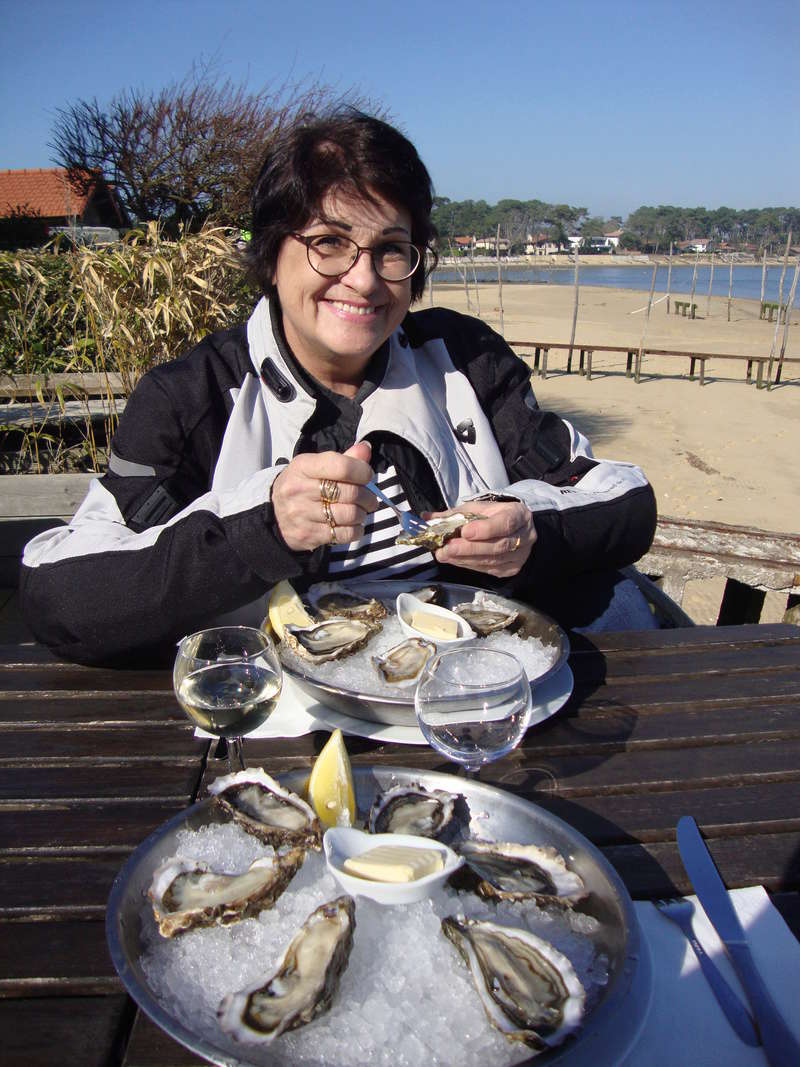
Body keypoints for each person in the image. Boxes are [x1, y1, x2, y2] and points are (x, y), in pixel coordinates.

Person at [20, 108, 658, 667]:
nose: (364, 280)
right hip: (280, 715)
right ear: (272, 255)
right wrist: (261, 528)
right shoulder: (190, 397)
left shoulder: (465, 358)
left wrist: (531, 534)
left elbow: (623, 501)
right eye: (329, 243)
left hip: (465, 687)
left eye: (390, 249)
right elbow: (61, 598)